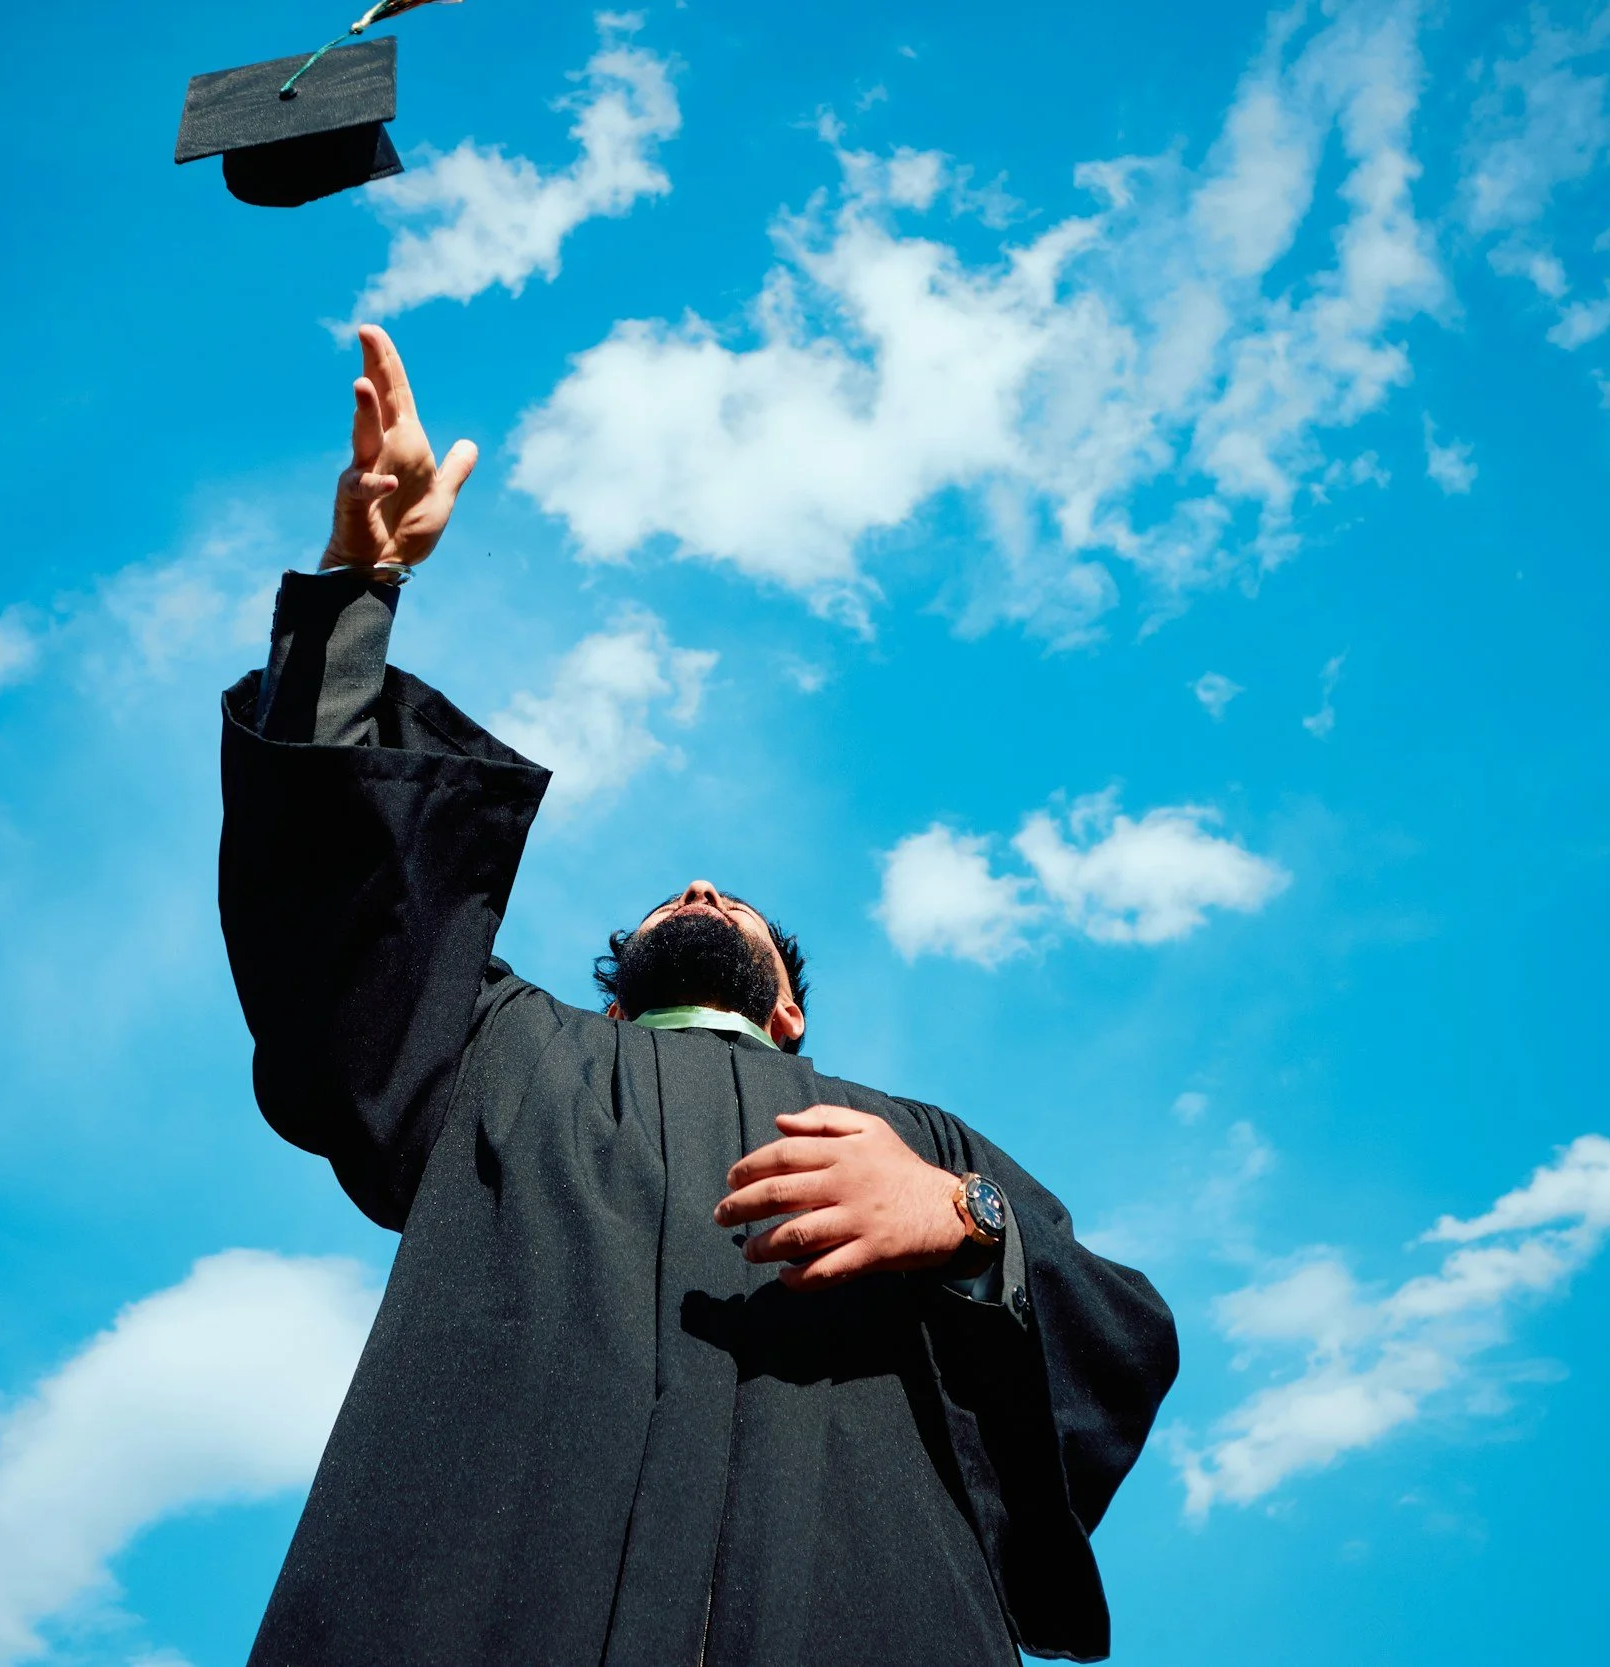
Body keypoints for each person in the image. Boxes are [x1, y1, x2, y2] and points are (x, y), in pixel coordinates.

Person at [218, 324, 1178, 1667]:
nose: (702, 884)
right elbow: (330, 919)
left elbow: (1118, 1332)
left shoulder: (920, 1140)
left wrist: (969, 1223)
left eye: (734, 907)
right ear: (613, 1007)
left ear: (790, 1013)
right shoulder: (504, 1053)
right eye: (676, 898)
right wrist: (357, 588)